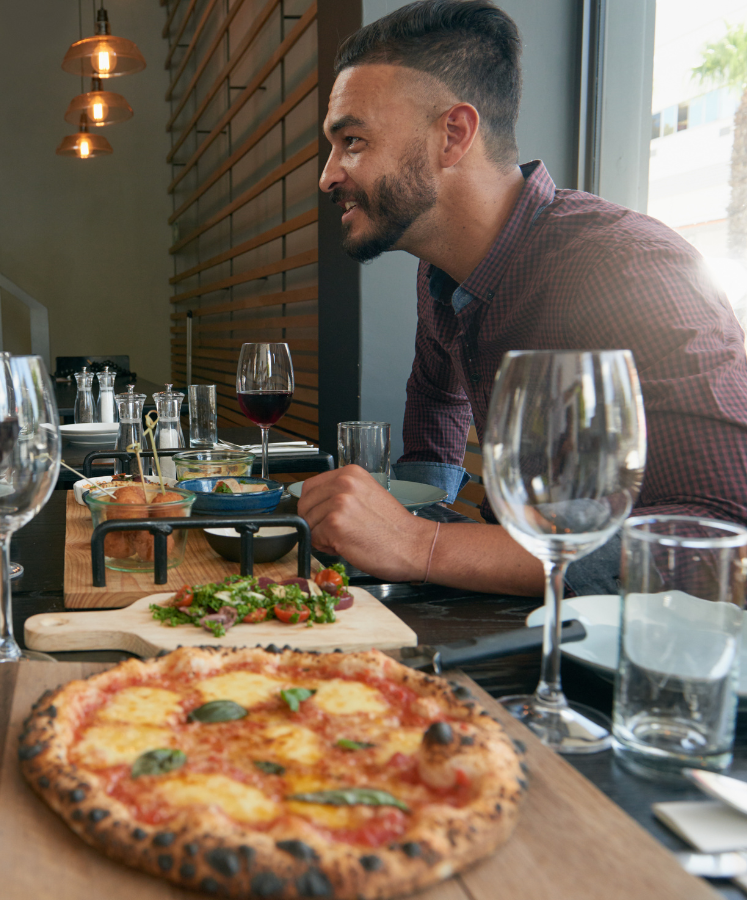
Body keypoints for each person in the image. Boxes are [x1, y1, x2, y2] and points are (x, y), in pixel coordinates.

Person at [297, 0, 747, 596]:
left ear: (453, 135)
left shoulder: (635, 266)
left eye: (352, 141)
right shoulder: (439, 276)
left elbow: (719, 536)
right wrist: (416, 508)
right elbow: (436, 396)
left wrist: (418, 543)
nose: (327, 175)